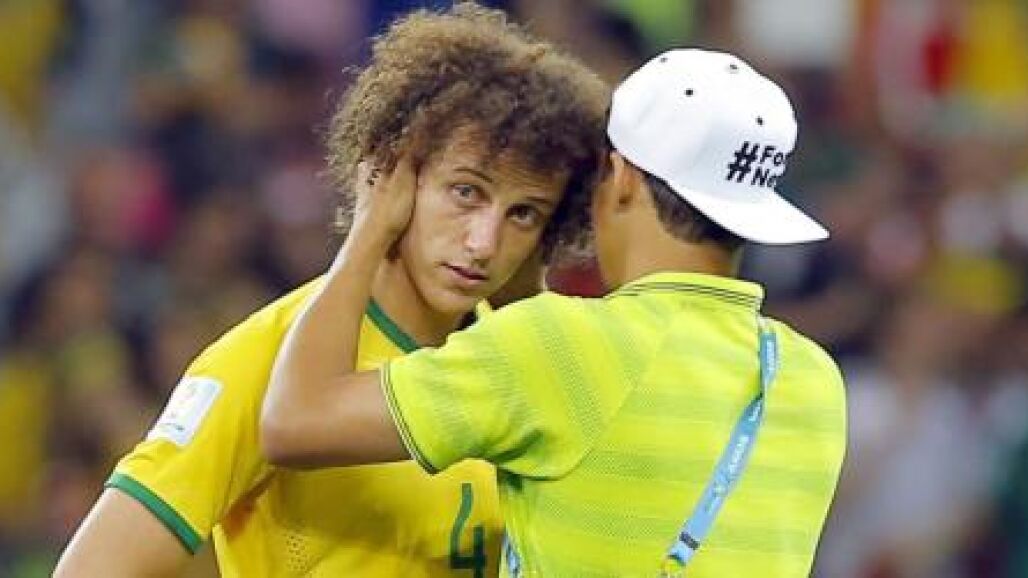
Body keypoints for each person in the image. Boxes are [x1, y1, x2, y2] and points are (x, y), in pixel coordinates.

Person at [53, 4, 608, 577]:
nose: (484, 242)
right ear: (390, 172)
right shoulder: (267, 358)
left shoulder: (519, 364)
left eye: (523, 213)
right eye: (466, 192)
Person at [261, 48, 847, 577]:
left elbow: (296, 423)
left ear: (620, 177)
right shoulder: (815, 380)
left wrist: (369, 229)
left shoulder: (563, 347)